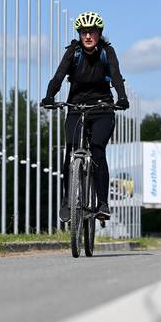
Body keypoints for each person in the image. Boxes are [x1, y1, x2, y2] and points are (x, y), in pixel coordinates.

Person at [41, 11, 128, 222]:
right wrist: (50, 96)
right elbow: (59, 76)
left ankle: (102, 204)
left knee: (98, 150)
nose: (88, 36)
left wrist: (122, 97)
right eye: (84, 33)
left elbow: (116, 76)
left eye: (92, 32)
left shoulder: (108, 52)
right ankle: (67, 201)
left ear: (99, 34)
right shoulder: (74, 52)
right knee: (70, 150)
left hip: (102, 109)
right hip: (76, 107)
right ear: (79, 35)